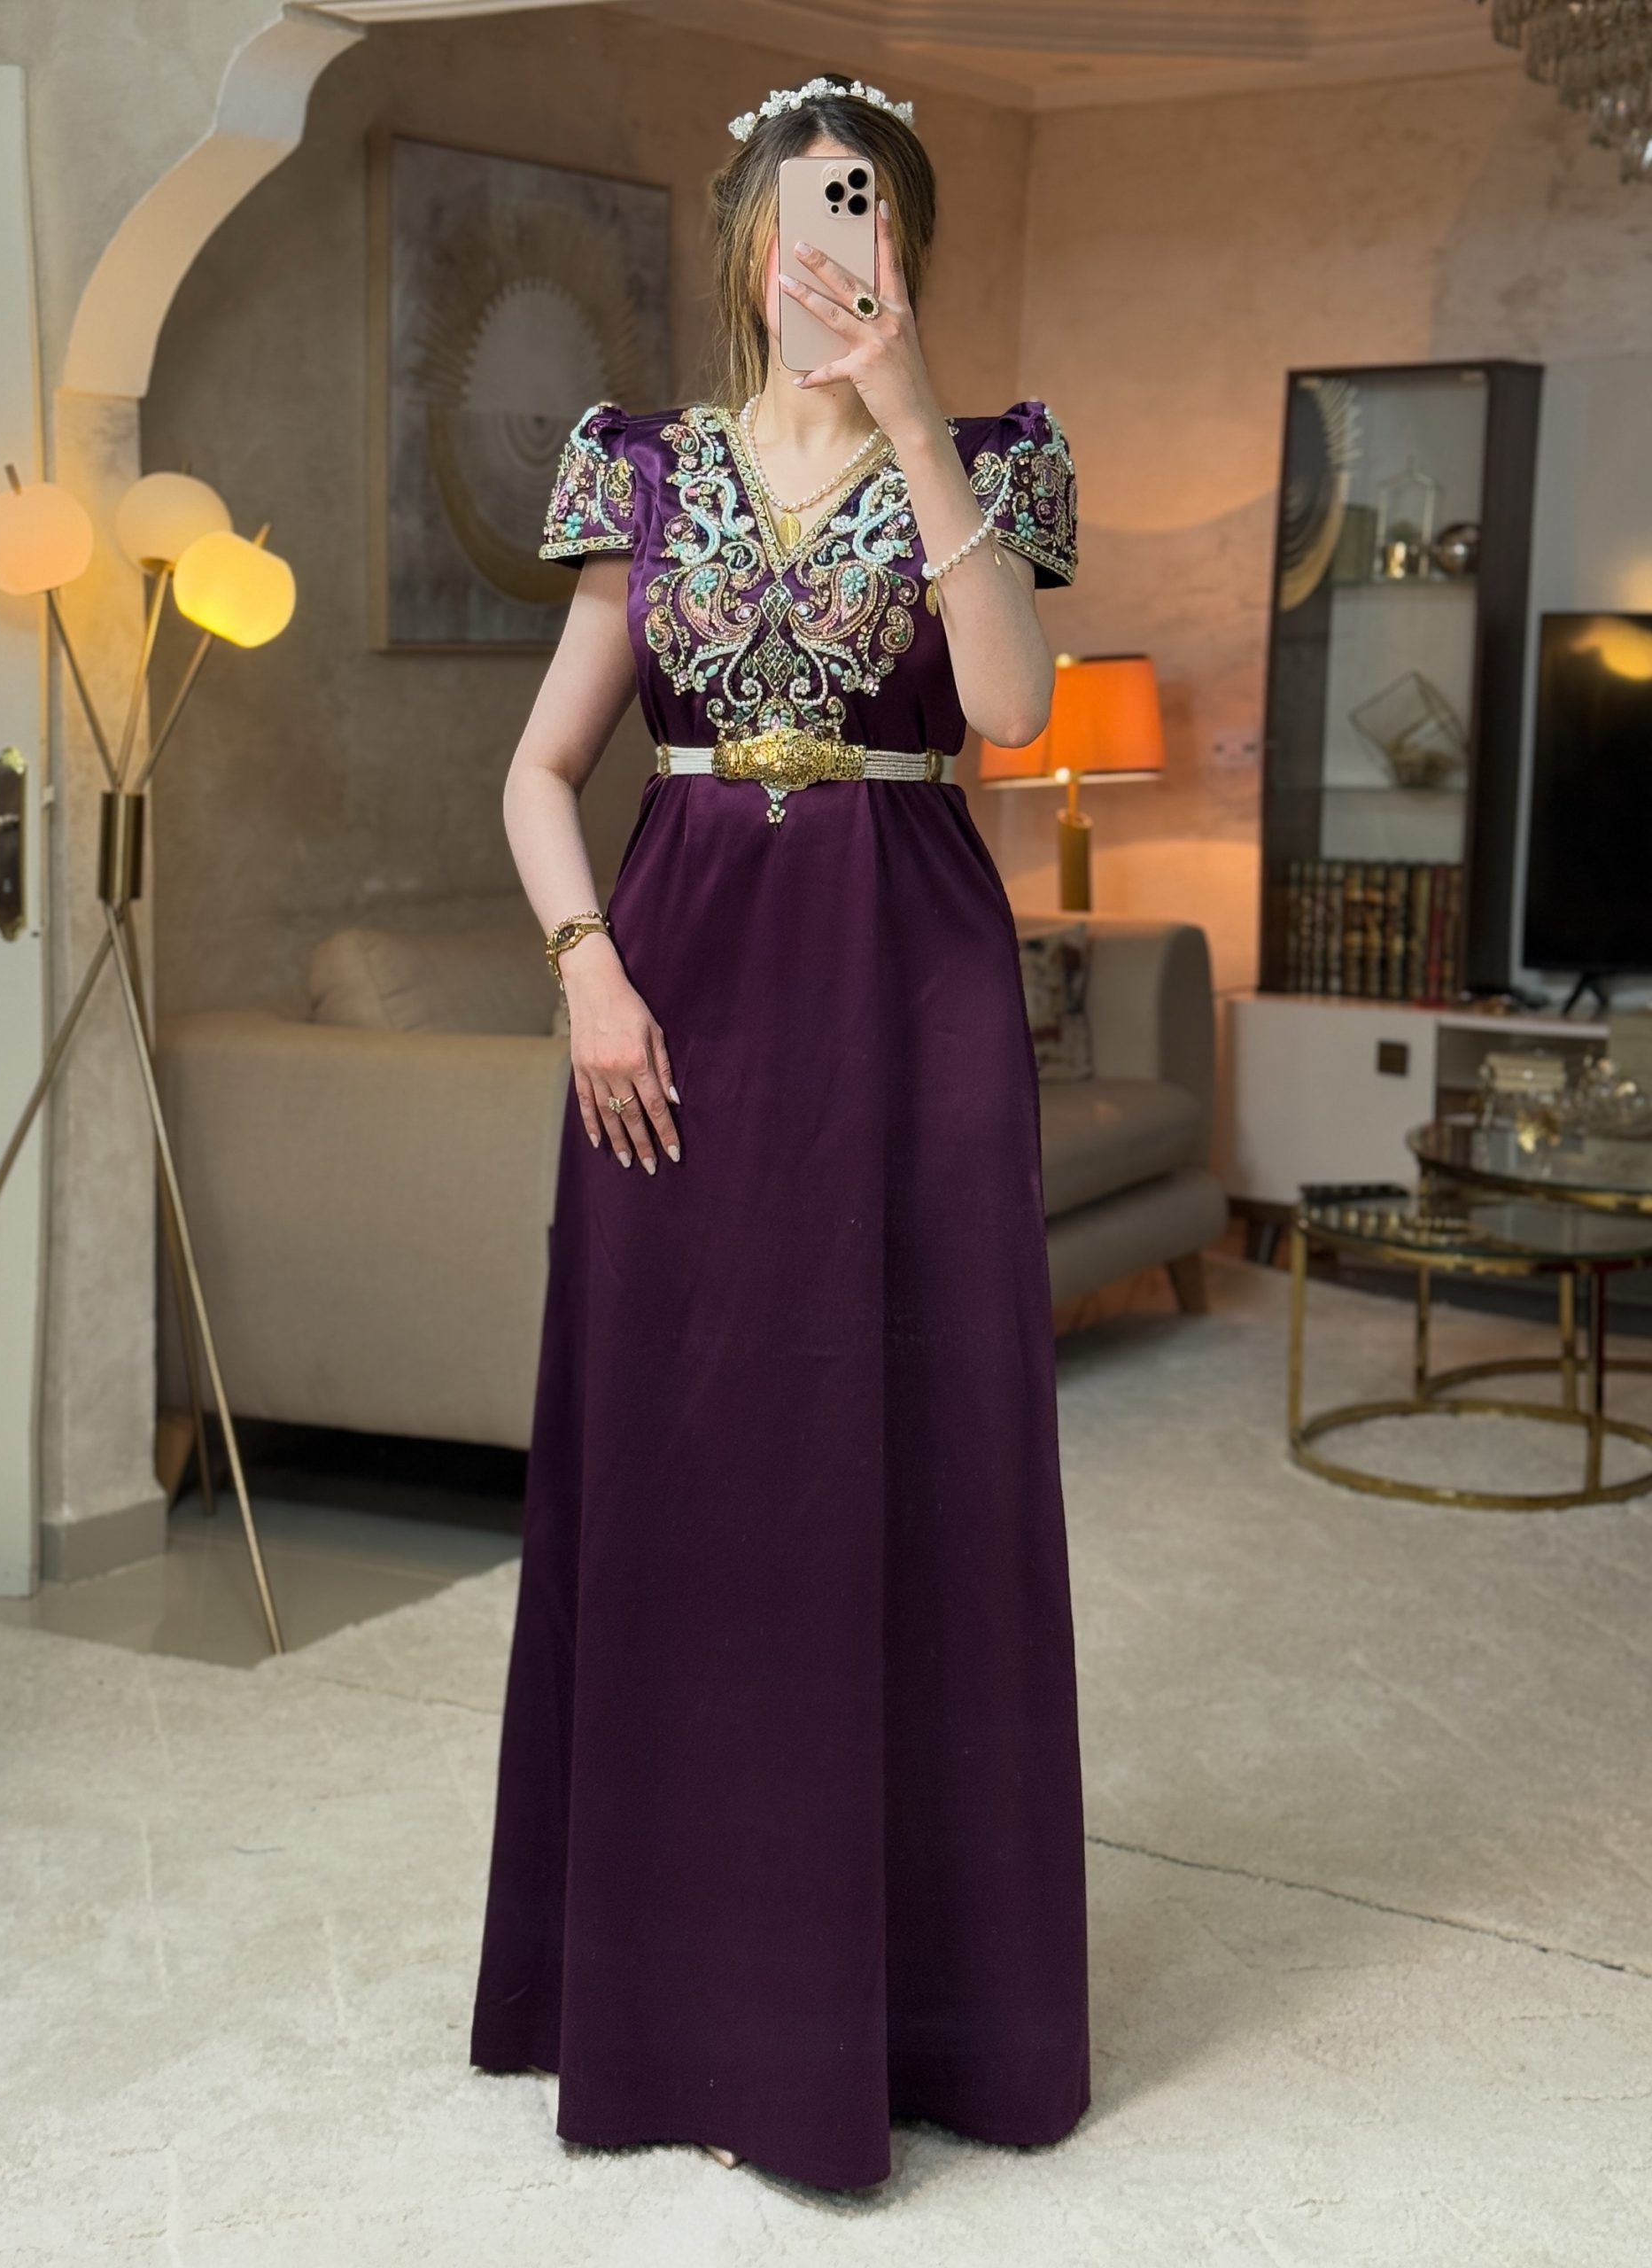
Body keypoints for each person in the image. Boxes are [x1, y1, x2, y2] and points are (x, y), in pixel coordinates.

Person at [469, 71, 1090, 2194]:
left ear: (908, 243)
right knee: (689, 1449)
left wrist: (912, 417)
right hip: (673, 996)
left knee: (918, 1455)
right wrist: (587, 968)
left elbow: (1009, 713)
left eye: (875, 205)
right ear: (748, 232)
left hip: (911, 996)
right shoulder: (639, 467)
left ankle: (914, 2009)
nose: (840, 238)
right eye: (812, 203)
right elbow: (541, 770)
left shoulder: (993, 456)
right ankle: (665, 1995)